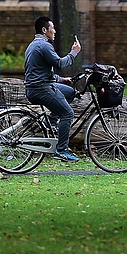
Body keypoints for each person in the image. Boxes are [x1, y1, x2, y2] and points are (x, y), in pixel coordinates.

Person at [24, 15, 82, 162]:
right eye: (52, 28)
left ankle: (50, 122)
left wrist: (62, 80)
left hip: (36, 86)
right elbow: (60, 64)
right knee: (68, 114)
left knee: (70, 92)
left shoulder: (33, 45)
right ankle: (61, 150)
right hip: (41, 89)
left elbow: (41, 72)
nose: (54, 31)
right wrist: (74, 52)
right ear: (44, 30)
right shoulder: (44, 46)